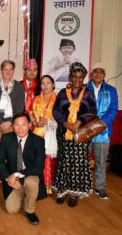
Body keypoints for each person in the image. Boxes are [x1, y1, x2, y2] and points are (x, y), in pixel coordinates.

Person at [53, 62, 97, 207]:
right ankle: (62, 191)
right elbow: (56, 111)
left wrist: (79, 121)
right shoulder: (62, 93)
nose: (77, 80)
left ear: (83, 78)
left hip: (81, 134)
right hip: (64, 133)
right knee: (64, 162)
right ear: (70, 77)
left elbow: (92, 112)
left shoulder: (88, 93)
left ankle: (74, 194)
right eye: (75, 77)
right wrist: (66, 124)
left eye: (81, 77)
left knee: (77, 164)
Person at [0, 113, 46, 225]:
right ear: (12, 126)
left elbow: (39, 167)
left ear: (29, 125)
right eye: (16, 125)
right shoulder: (6, 138)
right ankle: (21, 190)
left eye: (23, 125)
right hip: (12, 178)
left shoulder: (38, 141)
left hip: (29, 174)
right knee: (11, 210)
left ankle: (30, 210)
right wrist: (7, 178)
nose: (20, 128)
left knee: (32, 182)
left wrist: (17, 175)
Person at [87, 63, 118, 200]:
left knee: (100, 162)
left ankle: (99, 187)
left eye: (101, 72)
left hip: (103, 132)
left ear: (104, 75)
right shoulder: (84, 88)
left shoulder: (111, 90)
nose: (98, 74)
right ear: (91, 74)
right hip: (86, 131)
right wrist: (88, 124)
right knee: (82, 161)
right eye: (95, 72)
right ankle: (83, 185)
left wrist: (100, 124)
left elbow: (113, 110)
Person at [29, 75, 57, 194]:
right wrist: (33, 120)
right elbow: (30, 112)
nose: (45, 86)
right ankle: (36, 185)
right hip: (36, 132)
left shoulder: (58, 99)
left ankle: (47, 186)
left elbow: (62, 116)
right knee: (36, 160)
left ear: (53, 85)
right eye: (43, 83)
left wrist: (48, 121)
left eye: (48, 83)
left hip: (50, 133)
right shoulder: (36, 99)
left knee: (48, 161)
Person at [0, 60, 25, 149]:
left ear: (13, 71)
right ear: (1, 71)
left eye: (11, 69)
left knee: (10, 150)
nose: (8, 72)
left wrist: (10, 122)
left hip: (12, 123)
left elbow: (20, 107)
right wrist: (0, 122)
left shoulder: (19, 86)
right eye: (5, 69)